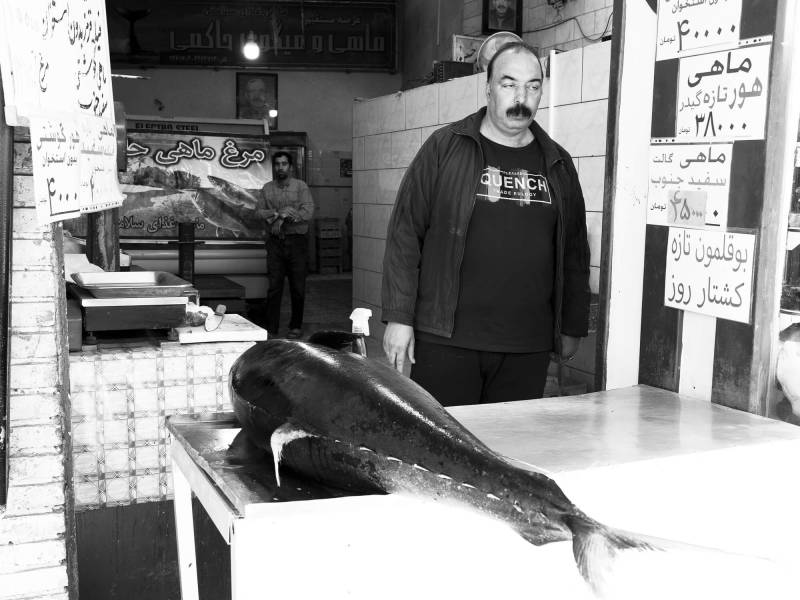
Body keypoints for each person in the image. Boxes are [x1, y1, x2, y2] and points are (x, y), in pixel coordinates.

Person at [381, 41, 590, 406]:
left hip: (526, 344)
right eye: (509, 84)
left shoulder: (558, 163)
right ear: (489, 88)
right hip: (447, 339)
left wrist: (571, 325)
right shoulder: (445, 148)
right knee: (445, 452)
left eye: (533, 85)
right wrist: (400, 317)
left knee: (510, 451)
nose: (521, 96)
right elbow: (404, 235)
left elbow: (573, 249)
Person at [256, 151, 315, 339]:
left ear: (290, 167)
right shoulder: (267, 188)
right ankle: (271, 327)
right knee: (274, 287)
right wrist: (277, 213)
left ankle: (295, 326)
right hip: (275, 244)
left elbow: (307, 212)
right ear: (274, 167)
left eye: (284, 164)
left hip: (297, 242)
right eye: (277, 164)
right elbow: (258, 213)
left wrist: (284, 216)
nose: (280, 167)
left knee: (297, 287)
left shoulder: (301, 187)